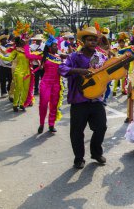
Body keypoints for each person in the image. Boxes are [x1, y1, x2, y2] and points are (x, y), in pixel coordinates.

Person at [58, 26, 107, 169]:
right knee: (77, 131)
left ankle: (96, 153)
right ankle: (79, 158)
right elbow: (61, 68)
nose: (92, 42)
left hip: (96, 99)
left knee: (101, 127)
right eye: (89, 40)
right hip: (79, 100)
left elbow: (107, 73)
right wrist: (78, 71)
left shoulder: (101, 57)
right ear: (83, 41)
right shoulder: (74, 56)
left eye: (94, 40)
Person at [38, 35, 64, 134]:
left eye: (57, 46)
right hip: (46, 83)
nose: (56, 47)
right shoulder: (43, 56)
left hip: (56, 84)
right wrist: (26, 44)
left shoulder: (59, 57)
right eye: (54, 46)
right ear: (49, 47)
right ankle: (41, 123)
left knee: (54, 105)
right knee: (43, 104)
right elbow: (29, 55)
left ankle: (51, 124)